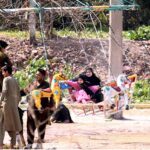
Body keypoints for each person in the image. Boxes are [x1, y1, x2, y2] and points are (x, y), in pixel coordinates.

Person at [25, 68, 55, 149]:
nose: (37, 75)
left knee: (41, 127)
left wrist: (51, 108)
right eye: (36, 74)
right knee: (30, 127)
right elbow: (24, 91)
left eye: (39, 74)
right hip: (31, 110)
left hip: (42, 110)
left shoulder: (47, 85)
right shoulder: (32, 84)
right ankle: (29, 144)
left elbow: (51, 96)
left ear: (43, 76)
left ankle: (39, 145)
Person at [0, 65, 22, 149]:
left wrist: (0, 101)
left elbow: (4, 91)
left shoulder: (6, 79)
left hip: (5, 106)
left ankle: (0, 145)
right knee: (12, 126)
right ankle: (12, 146)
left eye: (3, 72)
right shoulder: (15, 80)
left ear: (6, 72)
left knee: (1, 125)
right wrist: (15, 104)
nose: (2, 74)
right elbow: (19, 95)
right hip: (13, 106)